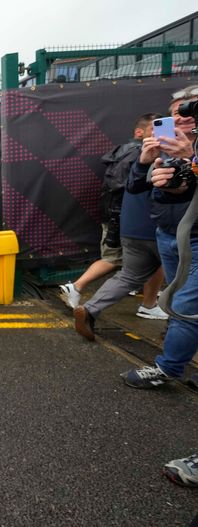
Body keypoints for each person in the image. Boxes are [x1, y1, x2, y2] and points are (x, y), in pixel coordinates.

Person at [120, 85, 198, 388]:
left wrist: (190, 156)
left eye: (191, 110)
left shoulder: (188, 149)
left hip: (193, 238)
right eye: (177, 112)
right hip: (168, 234)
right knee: (178, 300)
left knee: (186, 307)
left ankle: (167, 369)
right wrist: (143, 162)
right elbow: (135, 187)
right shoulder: (164, 146)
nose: (183, 117)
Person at [73, 114, 169, 340]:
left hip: (129, 224)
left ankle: (90, 309)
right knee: (182, 280)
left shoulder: (124, 155)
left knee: (129, 275)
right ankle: (173, 330)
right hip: (159, 226)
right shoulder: (163, 154)